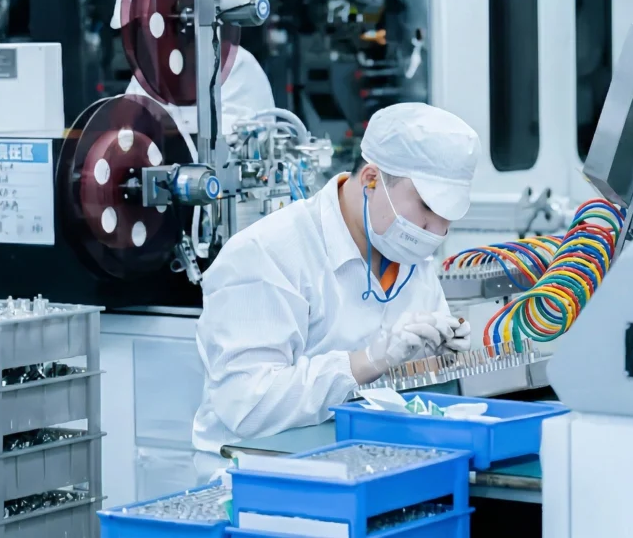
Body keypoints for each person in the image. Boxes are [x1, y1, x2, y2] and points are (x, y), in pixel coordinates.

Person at [192, 102, 480, 452]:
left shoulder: (411, 256)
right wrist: (367, 362)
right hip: (259, 473)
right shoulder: (268, 253)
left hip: (370, 460)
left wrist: (439, 358)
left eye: (448, 218)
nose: (436, 231)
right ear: (372, 179)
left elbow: (410, 396)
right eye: (428, 209)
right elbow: (246, 406)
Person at [109, 0, 275, 137]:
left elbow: (240, 144)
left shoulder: (238, 67)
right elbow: (127, 134)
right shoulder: (147, 75)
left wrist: (169, 128)